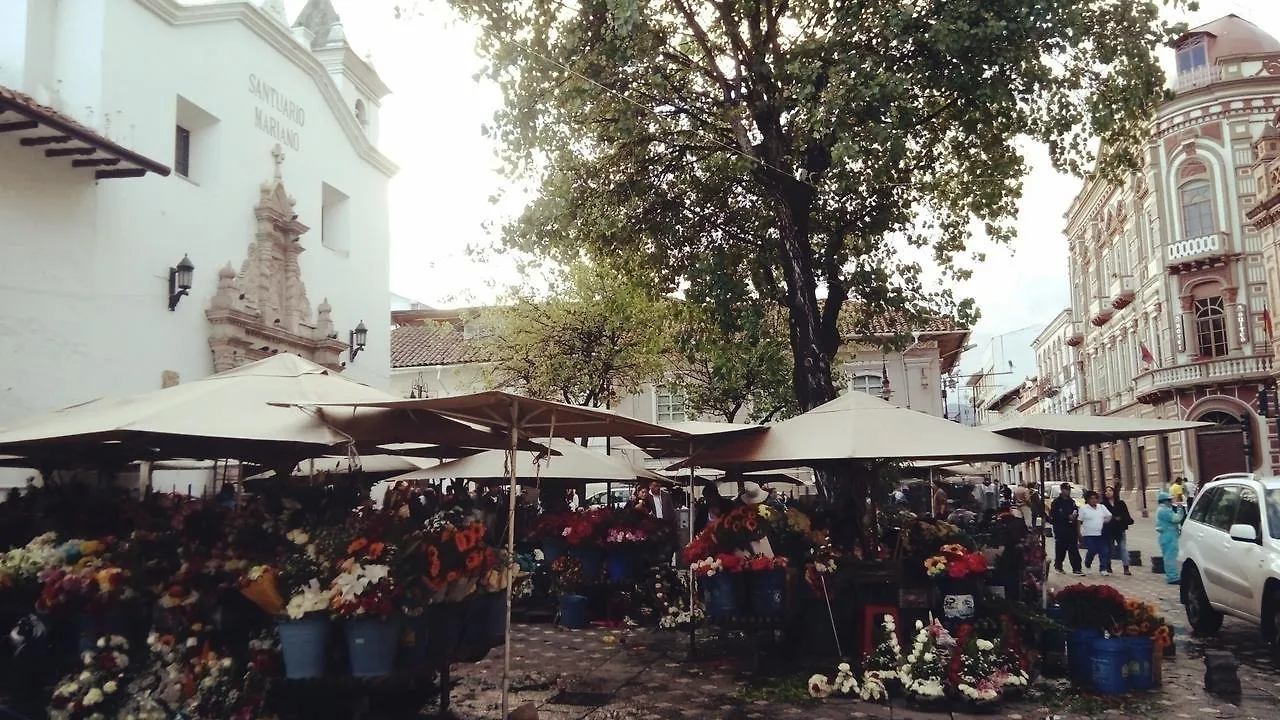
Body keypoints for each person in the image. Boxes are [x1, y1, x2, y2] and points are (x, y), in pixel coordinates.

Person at [1049, 483, 1083, 575]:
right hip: (1061, 529)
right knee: (1061, 549)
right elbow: (1053, 516)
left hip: (1071, 529)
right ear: (1062, 490)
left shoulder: (1072, 502)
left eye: (1069, 489)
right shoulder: (1056, 502)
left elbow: (1076, 511)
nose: (1068, 491)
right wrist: (1067, 517)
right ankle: (1058, 566)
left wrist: (1075, 516)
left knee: (1073, 549)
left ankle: (1077, 568)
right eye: (1066, 489)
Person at [1155, 490, 1186, 585]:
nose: (1170, 502)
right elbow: (1176, 519)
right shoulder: (1164, 510)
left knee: (1168, 556)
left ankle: (1171, 575)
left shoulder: (1162, 509)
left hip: (1166, 535)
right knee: (1170, 556)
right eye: (1169, 500)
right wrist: (1180, 510)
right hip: (1169, 536)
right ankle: (1172, 577)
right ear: (1164, 501)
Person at [1101, 485, 1134, 576]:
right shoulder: (1103, 505)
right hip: (1109, 529)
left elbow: (1126, 515)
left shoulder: (1120, 503)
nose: (1108, 492)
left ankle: (1126, 567)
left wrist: (1122, 519)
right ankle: (1108, 565)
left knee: (1122, 548)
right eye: (1106, 491)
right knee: (1110, 549)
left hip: (1120, 529)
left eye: (1110, 490)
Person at [1079, 490, 1113, 574]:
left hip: (1101, 533)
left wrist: (1105, 521)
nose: (1094, 500)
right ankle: (1088, 562)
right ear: (1087, 500)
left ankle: (1103, 568)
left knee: (1104, 551)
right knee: (1092, 550)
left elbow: (1109, 516)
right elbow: (1079, 521)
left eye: (1095, 498)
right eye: (1091, 499)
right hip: (1089, 534)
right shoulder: (1083, 508)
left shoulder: (1101, 507)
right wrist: (1079, 533)